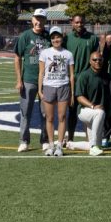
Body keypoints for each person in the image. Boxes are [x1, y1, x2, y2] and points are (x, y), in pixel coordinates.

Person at [14, 8, 50, 152]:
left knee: (45, 113)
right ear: (32, 20)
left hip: (47, 81)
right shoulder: (25, 36)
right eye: (37, 18)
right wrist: (19, 80)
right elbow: (17, 57)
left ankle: (45, 140)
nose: (39, 21)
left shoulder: (49, 37)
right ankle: (24, 141)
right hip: (29, 80)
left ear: (45, 21)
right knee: (25, 112)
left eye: (42, 19)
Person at [38, 26, 75, 156]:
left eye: (58, 37)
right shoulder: (45, 53)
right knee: (49, 117)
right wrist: (40, 90)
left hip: (63, 87)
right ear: (50, 39)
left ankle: (59, 145)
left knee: (62, 117)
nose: (55, 40)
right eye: (53, 38)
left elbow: (71, 75)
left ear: (62, 38)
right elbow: (41, 73)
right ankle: (51, 145)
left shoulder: (68, 54)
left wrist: (72, 93)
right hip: (48, 87)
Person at [63, 13, 99, 143]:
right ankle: (70, 138)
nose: (79, 24)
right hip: (71, 79)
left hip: (87, 80)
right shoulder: (67, 39)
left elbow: (96, 58)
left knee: (87, 110)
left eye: (81, 22)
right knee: (71, 110)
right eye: (77, 22)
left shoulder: (93, 38)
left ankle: (90, 140)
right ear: (72, 23)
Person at [73, 52, 107, 156]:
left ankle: (69, 144)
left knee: (97, 144)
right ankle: (93, 147)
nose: (97, 62)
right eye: (94, 60)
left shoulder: (106, 76)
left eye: (100, 60)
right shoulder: (84, 75)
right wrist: (92, 106)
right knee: (100, 113)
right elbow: (79, 97)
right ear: (90, 61)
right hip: (84, 110)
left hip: (96, 113)